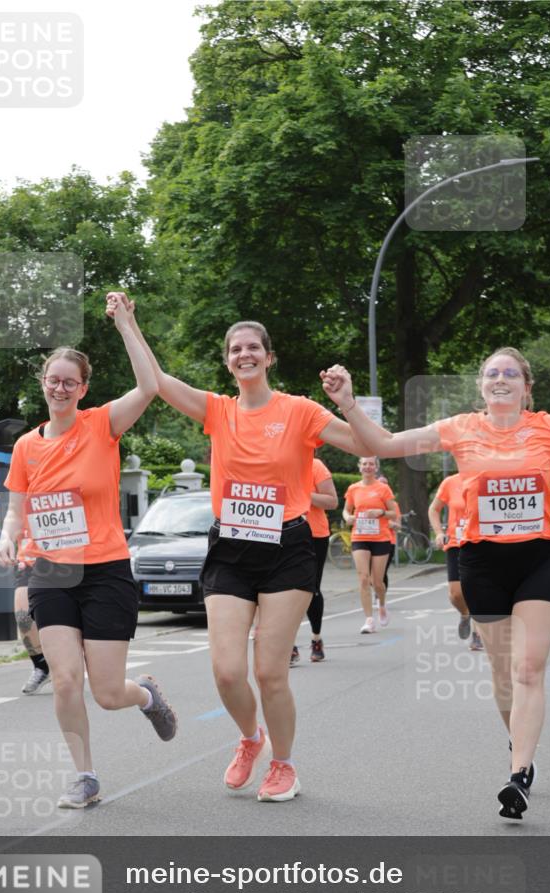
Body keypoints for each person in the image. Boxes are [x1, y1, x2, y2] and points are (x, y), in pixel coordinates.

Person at [321, 347, 550, 821]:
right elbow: (384, 444)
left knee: (529, 669)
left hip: (536, 558)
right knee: (503, 672)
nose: (501, 379)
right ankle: (518, 740)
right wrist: (348, 403)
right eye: (492, 373)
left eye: (511, 374)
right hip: (481, 563)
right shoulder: (460, 427)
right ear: (481, 386)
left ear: (526, 387)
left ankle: (518, 774)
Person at [112, 295, 369, 802]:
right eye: (236, 349)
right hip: (231, 547)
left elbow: (365, 445)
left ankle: (284, 765)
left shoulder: (299, 411)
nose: (244, 354)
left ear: (268, 357)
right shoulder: (217, 411)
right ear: (228, 361)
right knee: (228, 672)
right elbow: (156, 380)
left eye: (253, 347)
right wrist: (127, 323)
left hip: (287, 547)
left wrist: (348, 403)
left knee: (270, 672)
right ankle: (251, 738)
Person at [0, 295, 177, 809]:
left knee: (108, 692)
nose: (60, 388)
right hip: (50, 572)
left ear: (82, 389)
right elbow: (16, 509)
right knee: (65, 681)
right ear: (43, 383)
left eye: (69, 382)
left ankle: (145, 694)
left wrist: (127, 324)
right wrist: (8, 537)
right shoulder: (26, 447)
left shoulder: (101, 425)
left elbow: (150, 386)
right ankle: (85, 776)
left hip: (105, 570)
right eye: (53, 379)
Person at [289, 455, 337, 664]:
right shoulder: (277, 463)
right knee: (285, 590)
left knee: (310, 589)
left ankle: (316, 638)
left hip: (314, 535)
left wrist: (302, 494)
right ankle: (289, 644)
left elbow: (332, 501)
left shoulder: (315, 466)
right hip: (284, 534)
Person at [429, 473, 483, 651]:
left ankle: (477, 635)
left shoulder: (487, 478)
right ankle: (465, 614)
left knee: (477, 590)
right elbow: (434, 509)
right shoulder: (450, 482)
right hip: (456, 543)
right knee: (456, 594)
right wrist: (439, 533)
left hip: (481, 543)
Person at [343, 458, 397, 634]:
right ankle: (369, 620)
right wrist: (347, 518)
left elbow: (393, 513)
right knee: (363, 578)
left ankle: (382, 605)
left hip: (380, 538)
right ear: (359, 467)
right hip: (360, 536)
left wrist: (380, 512)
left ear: (376, 468)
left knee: (377, 582)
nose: (368, 467)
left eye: (371, 464)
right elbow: (346, 510)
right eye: (364, 464)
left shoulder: (383, 489)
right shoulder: (353, 488)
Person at [14, 534, 52, 694]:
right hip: (28, 563)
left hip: (60, 560)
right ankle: (41, 666)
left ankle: (69, 663)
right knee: (23, 617)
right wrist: (5, 540)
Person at [376, 474, 400, 595]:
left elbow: (398, 525)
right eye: (381, 484)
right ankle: (378, 592)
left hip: (389, 541)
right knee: (371, 573)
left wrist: (390, 524)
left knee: (382, 571)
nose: (383, 486)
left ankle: (380, 596)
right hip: (372, 540)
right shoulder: (371, 502)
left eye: (385, 484)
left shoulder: (393, 505)